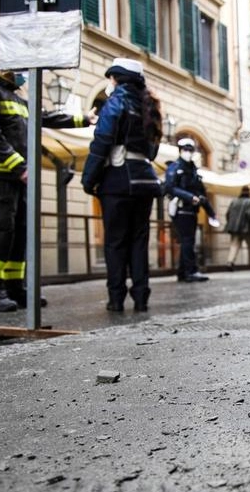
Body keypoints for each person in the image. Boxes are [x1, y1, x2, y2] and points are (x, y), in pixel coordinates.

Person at [0, 45, 95, 312]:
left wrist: (83, 119)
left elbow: (44, 117)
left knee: (20, 234)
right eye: (22, 65)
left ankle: (16, 289)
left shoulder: (15, 95)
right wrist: (19, 166)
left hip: (19, 177)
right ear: (5, 63)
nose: (25, 73)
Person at [81, 57, 163, 312]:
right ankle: (141, 298)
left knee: (115, 242)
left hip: (116, 181)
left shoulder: (115, 102)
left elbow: (101, 142)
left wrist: (89, 179)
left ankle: (116, 299)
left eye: (111, 78)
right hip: (144, 181)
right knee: (139, 242)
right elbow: (152, 151)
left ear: (116, 79)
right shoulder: (149, 106)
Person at [164, 138, 220, 282]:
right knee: (187, 240)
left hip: (192, 210)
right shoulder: (175, 167)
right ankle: (190, 271)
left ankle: (183, 272)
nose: (188, 153)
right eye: (185, 150)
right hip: (180, 208)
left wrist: (210, 212)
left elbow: (200, 191)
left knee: (187, 241)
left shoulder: (193, 170)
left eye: (190, 150)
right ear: (180, 150)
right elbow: (170, 187)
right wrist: (189, 197)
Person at [224, 186, 250, 269]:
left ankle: (230, 262)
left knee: (234, 245)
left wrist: (231, 223)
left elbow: (227, 214)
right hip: (246, 228)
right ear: (249, 193)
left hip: (234, 228)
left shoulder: (234, 201)